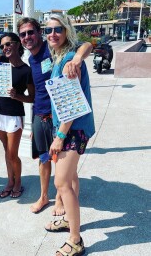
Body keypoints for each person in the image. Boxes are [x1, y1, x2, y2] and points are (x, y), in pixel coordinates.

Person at [17, 17, 92, 214]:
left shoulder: (51, 49)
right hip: (39, 115)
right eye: (23, 34)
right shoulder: (31, 59)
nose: (27, 37)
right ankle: (43, 196)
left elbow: (85, 45)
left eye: (31, 32)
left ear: (38, 33)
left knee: (60, 160)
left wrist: (77, 58)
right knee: (43, 158)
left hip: (58, 116)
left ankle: (60, 199)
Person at [43, 14, 95, 256]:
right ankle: (70, 221)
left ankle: (75, 240)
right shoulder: (62, 57)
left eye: (57, 29)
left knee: (61, 182)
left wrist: (59, 136)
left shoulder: (68, 62)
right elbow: (86, 46)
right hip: (70, 127)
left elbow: (71, 104)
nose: (52, 34)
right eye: (48, 30)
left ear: (66, 31)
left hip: (72, 129)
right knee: (71, 177)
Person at [0, 32, 35, 198]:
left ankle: (18, 182)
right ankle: (10, 181)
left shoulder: (26, 71)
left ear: (18, 44)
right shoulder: (1, 63)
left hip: (14, 116)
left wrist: (16, 95)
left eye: (9, 44)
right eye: (3, 45)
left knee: (12, 154)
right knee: (6, 151)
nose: (5, 48)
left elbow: (32, 97)